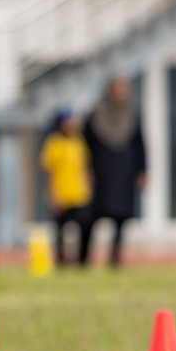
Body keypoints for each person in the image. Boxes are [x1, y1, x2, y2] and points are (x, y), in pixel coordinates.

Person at [82, 77, 147, 268]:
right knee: (92, 217)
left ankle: (115, 260)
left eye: (125, 89)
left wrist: (142, 171)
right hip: (101, 172)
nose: (122, 93)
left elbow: (140, 145)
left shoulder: (132, 115)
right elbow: (86, 146)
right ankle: (84, 259)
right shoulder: (95, 115)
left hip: (124, 173)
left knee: (121, 219)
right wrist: (86, 170)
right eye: (119, 89)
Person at [40, 111, 92, 266]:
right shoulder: (54, 143)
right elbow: (49, 172)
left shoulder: (79, 142)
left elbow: (85, 167)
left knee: (84, 227)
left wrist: (89, 187)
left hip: (80, 194)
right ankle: (61, 262)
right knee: (61, 231)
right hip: (62, 194)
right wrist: (54, 195)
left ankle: (82, 261)